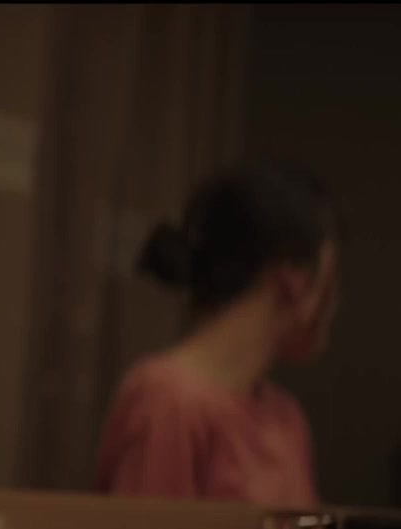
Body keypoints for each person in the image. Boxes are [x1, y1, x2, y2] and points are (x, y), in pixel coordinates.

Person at [95, 161, 340, 509]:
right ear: (293, 277)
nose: (336, 300)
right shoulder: (168, 402)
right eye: (331, 278)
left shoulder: (287, 417)